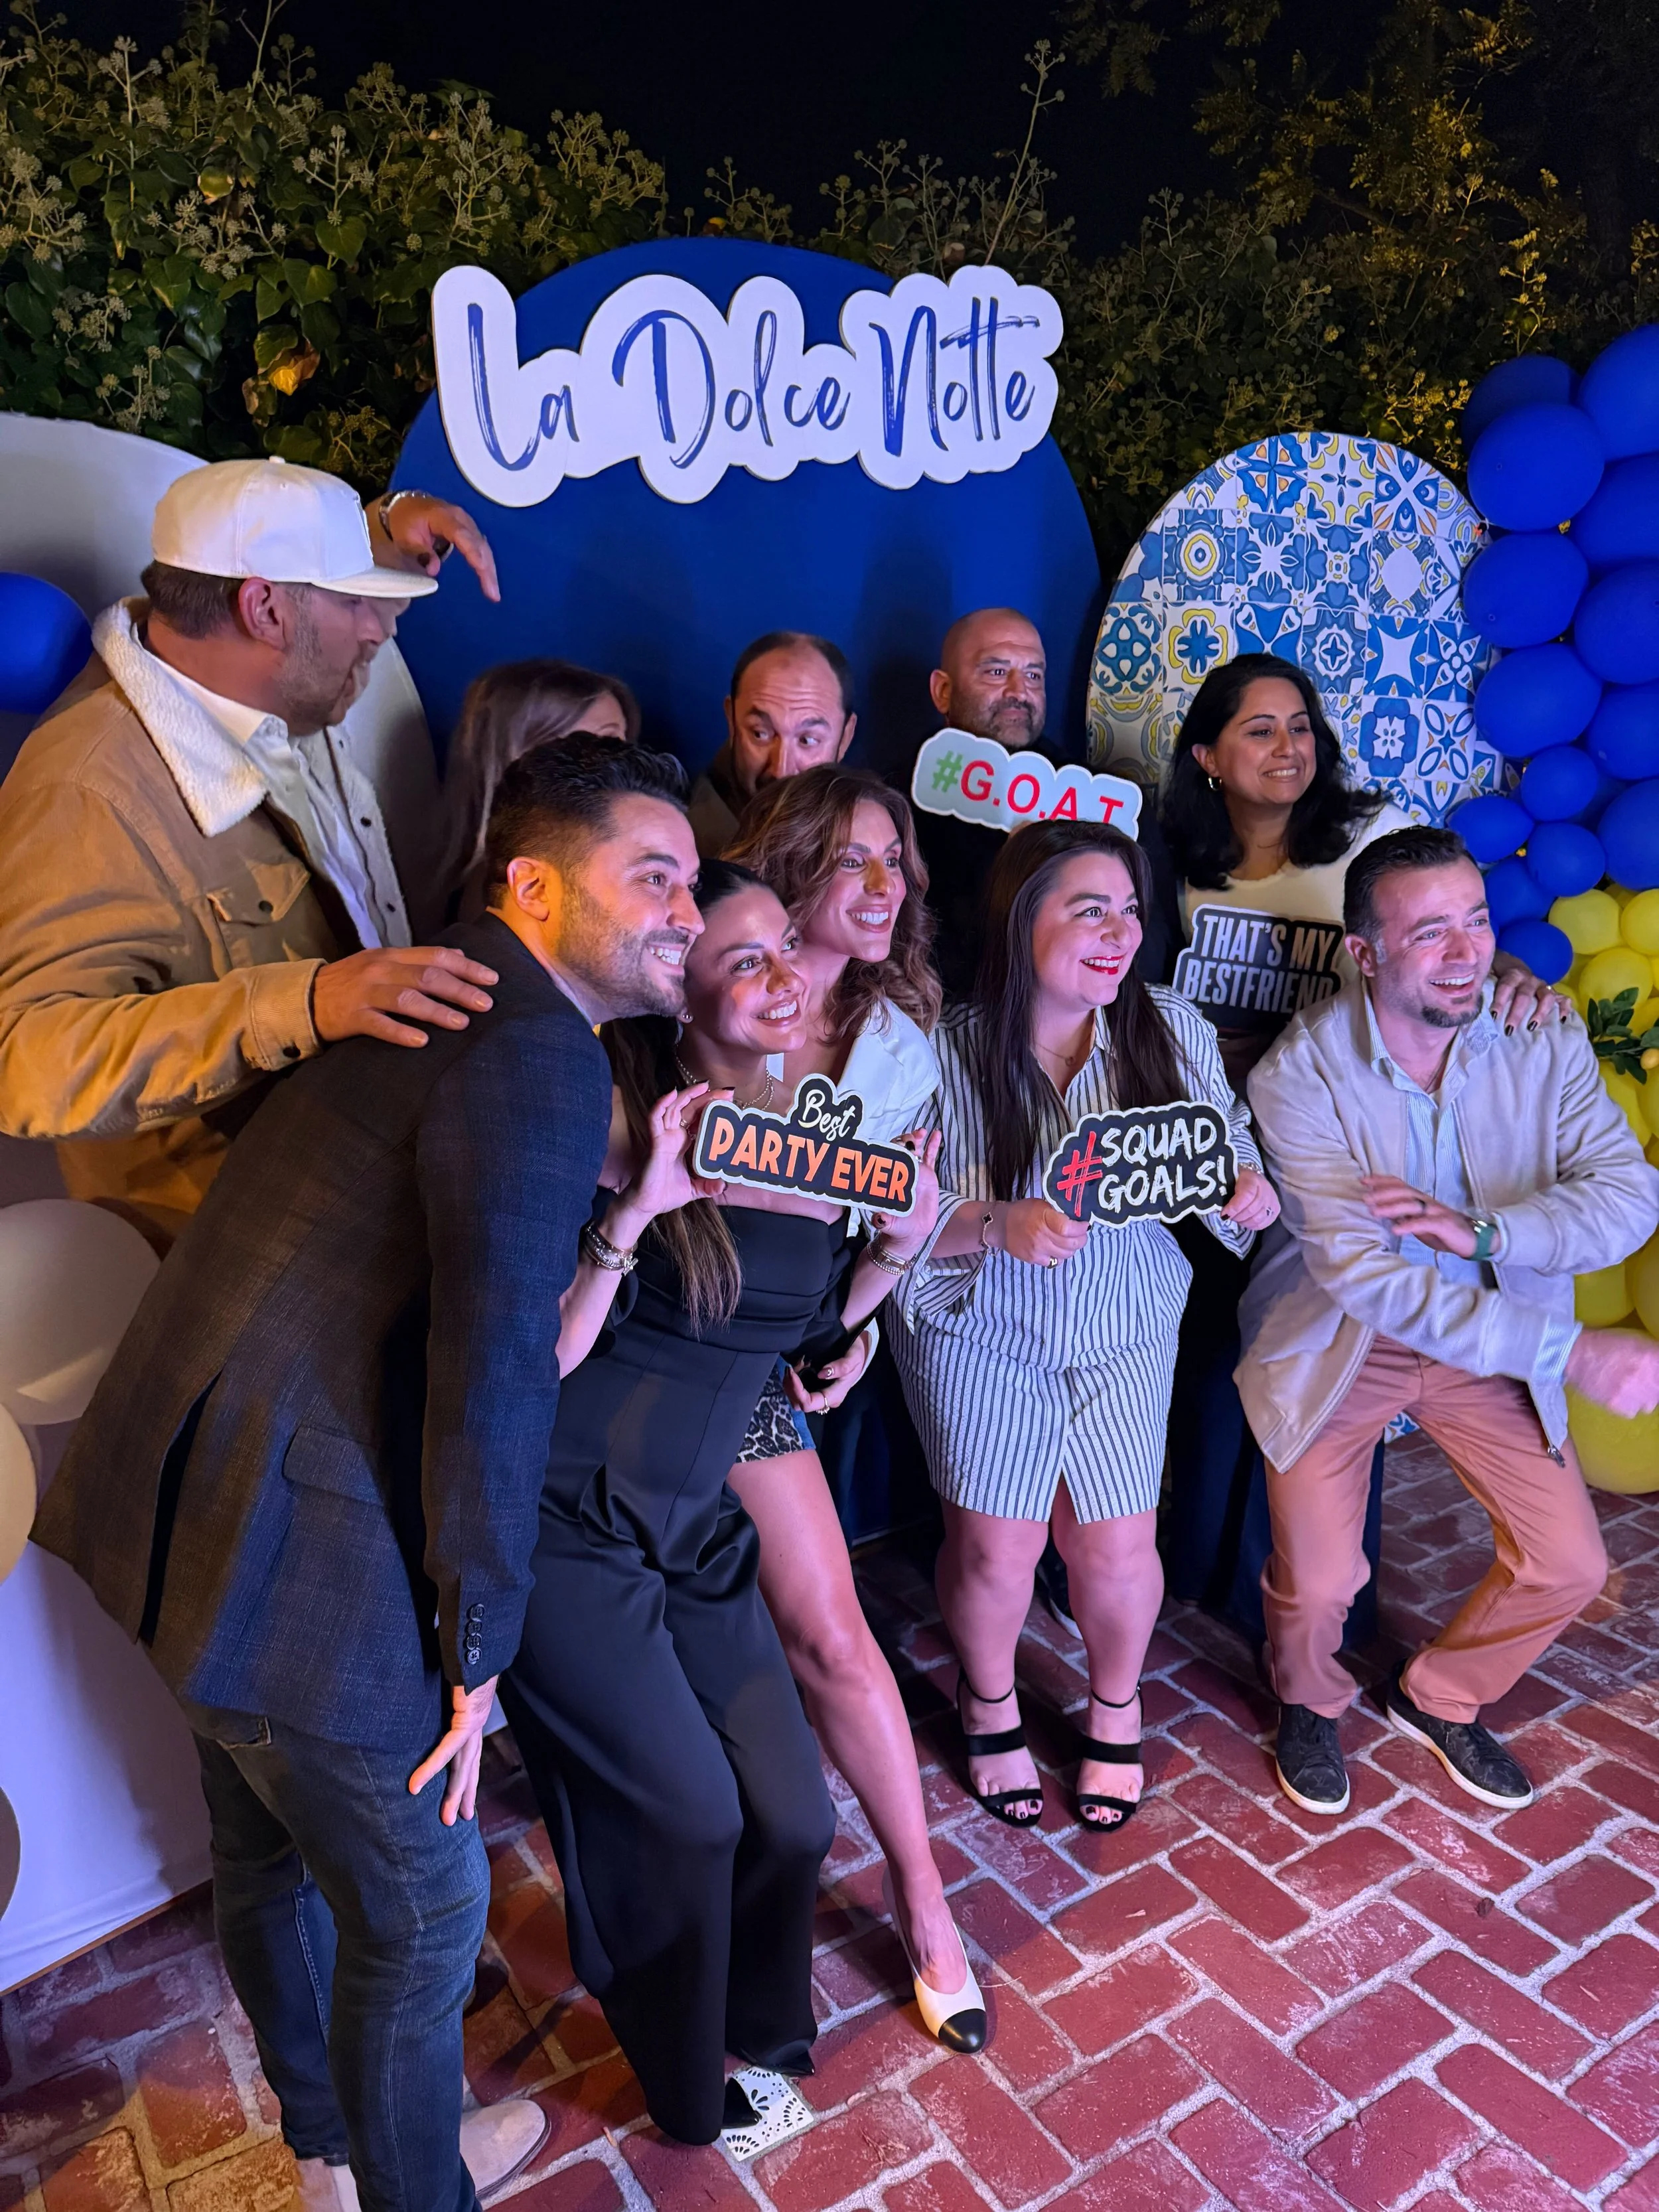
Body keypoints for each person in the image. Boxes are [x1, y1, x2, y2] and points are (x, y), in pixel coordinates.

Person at [34, 736, 703, 2212]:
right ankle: (406, 2188)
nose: (690, 915)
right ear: (533, 885)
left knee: (266, 1853)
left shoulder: (432, 982)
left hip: (186, 1512)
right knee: (421, 1913)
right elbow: (494, 1368)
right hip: (294, 1559)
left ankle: (337, 2152)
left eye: (695, 884)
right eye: (653, 877)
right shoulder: (534, 1048)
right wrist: (478, 1648)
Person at [500, 858, 937, 2143]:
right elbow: (535, 1356)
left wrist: (887, 1265)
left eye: (785, 950)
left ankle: (752, 2027)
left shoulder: (806, 1125)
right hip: (568, 1515)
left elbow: (804, 1345)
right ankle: (682, 2077)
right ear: (677, 994)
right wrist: (640, 1207)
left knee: (793, 1811)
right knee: (685, 1812)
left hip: (696, 1521)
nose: (783, 974)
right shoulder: (607, 1117)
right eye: (741, 957)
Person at [1242, 825, 1659, 1818]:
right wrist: (1569, 1350)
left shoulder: (1540, 1035)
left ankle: (1438, 1695)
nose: (1468, 952)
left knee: (1569, 1564)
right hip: (1346, 1343)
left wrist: (1486, 1234)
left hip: (1492, 1334)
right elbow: (1369, 1281)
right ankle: (1306, 1698)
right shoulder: (1296, 1080)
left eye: (1476, 922)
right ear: (1365, 953)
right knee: (1322, 1580)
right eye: (1431, 933)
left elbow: (1628, 1196)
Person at [1157, 655, 1565, 1644]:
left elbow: (1449, 939)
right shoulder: (1174, 862)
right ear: (1208, 755)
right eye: (1259, 730)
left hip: (1348, 1139)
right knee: (1217, 1356)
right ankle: (1210, 1569)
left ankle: (1318, 1602)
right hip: (1225, 1143)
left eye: (1300, 725)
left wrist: (1508, 968)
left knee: (1328, 1360)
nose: (1288, 747)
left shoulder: (1368, 839)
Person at [0, 459, 502, 1244]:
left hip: (366, 1193)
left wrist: (381, 526)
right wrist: (299, 1005)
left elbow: (279, 563)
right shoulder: (88, 793)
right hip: (246, 1256)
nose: (380, 629)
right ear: (265, 610)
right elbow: (25, 1061)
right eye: (352, 601)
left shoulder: (257, 668)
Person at [889, 820, 1279, 1828]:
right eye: (1088, 907)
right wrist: (994, 1220)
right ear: (1023, 919)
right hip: (980, 1328)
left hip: (1123, 1327)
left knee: (1114, 1545)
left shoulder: (1168, 1025)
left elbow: (1222, 1150)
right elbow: (887, 1214)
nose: (1119, 932)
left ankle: (1117, 1703)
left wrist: (1245, 1191)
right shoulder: (939, 1046)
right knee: (996, 1551)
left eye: (1131, 911)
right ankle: (990, 1700)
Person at [721, 766, 983, 2051]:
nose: (886, 889)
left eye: (900, 867)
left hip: (760, 1364)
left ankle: (926, 1906)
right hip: (636, 1341)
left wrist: (879, 1285)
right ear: (791, 865)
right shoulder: (705, 980)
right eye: (857, 862)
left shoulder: (900, 1043)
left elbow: (875, 1251)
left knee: (830, 1632)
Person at [912, 609, 1184, 1000]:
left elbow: (1155, 949)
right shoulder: (895, 803)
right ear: (942, 691)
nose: (1019, 692)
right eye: (996, 672)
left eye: (1034, 675)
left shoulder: (1110, 802)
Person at [439, 657, 641, 908]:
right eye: (573, 747)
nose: (606, 763)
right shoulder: (506, 888)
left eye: (614, 742)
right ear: (511, 759)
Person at [687, 630, 857, 854]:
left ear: (845, 738)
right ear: (731, 720)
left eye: (807, 740)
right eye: (761, 734)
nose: (781, 770)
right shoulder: (690, 851)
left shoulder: (868, 838)